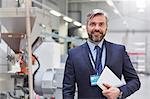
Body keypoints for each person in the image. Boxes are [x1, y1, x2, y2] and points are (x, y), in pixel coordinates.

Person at [63, 9, 140, 99]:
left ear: (106, 27)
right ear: (86, 27)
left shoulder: (119, 51)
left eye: (101, 24)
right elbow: (68, 89)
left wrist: (120, 92)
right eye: (92, 24)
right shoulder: (74, 54)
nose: (97, 28)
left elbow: (135, 81)